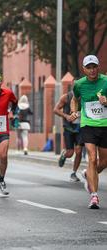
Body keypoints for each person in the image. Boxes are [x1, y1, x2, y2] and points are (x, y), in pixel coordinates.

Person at [71, 55, 107, 209]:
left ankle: (88, 174)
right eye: (89, 67)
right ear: (84, 69)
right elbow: (75, 99)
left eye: (94, 67)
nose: (92, 70)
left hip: (104, 124)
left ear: (98, 67)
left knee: (104, 162)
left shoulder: (106, 81)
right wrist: (74, 111)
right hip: (88, 125)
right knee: (92, 158)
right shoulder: (79, 84)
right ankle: (94, 196)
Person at [54, 91, 83, 182]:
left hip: (81, 128)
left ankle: (73, 173)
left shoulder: (86, 96)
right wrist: (66, 116)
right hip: (69, 128)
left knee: (79, 151)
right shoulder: (66, 97)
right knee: (70, 153)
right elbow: (55, 109)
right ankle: (64, 155)